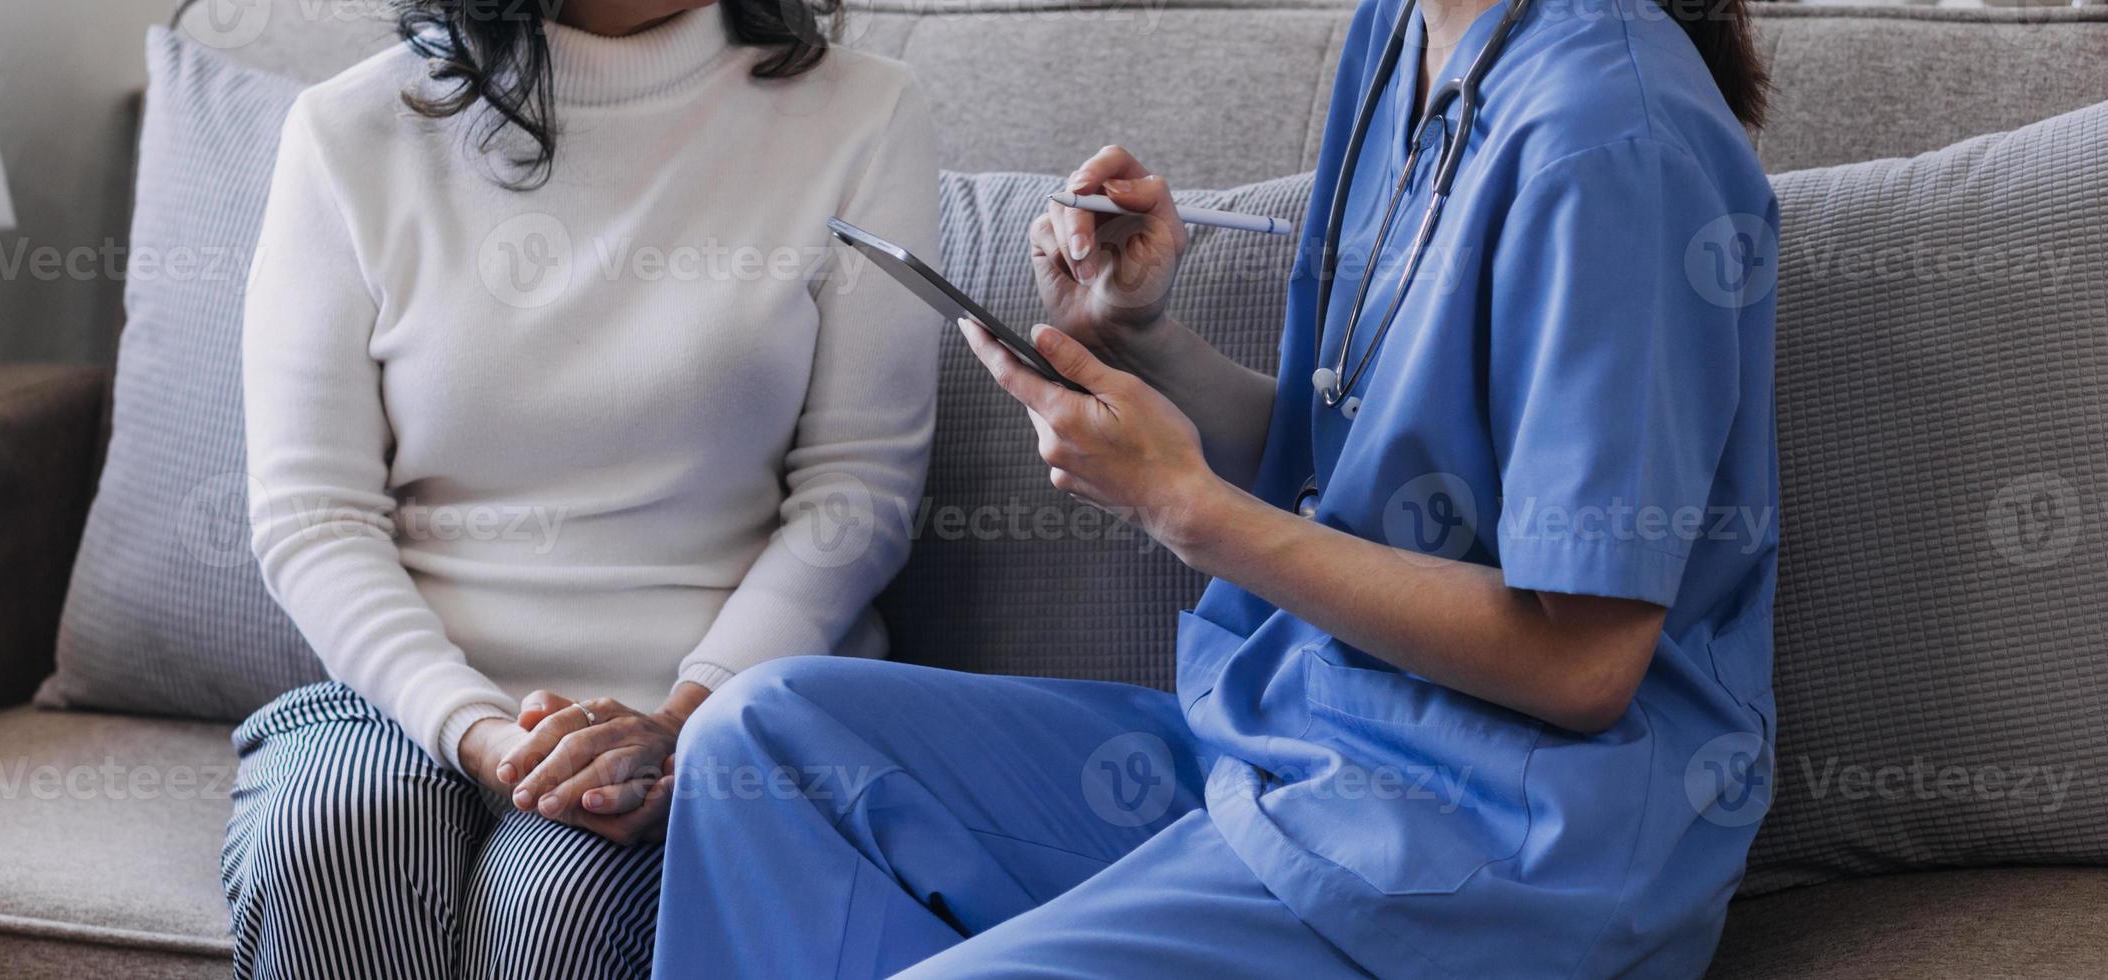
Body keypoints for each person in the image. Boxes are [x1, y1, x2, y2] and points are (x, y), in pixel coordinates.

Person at [650, 0, 1780, 973]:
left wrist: (1187, 507)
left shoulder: (1614, 141)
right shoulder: (1404, 36)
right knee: (761, 740)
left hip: (1502, 856)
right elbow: (1360, 466)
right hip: (1299, 744)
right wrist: (1142, 339)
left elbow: (1583, 660)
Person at [217, 0, 940, 975]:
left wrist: (687, 721)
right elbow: (314, 515)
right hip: (396, 696)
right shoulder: (350, 127)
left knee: (559, 894)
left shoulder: (862, 113)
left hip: (714, 707)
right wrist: (478, 731)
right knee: (338, 827)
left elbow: (859, 490)